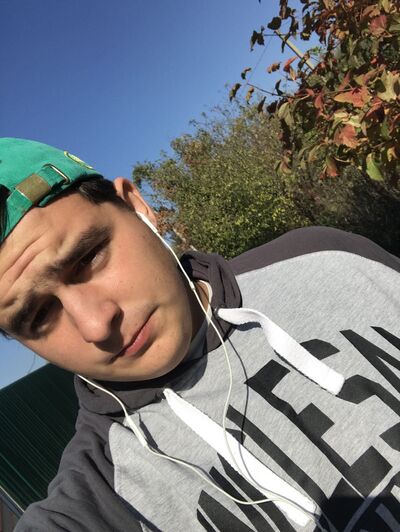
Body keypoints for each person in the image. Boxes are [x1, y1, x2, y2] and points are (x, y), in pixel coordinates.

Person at [0, 137, 399, 532]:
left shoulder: (327, 258)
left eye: (88, 257)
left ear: (137, 207)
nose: (96, 325)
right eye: (39, 314)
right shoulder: (102, 491)